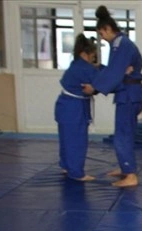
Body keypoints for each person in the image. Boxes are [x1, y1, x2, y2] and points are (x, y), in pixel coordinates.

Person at [82, 5, 142, 188]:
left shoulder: (120, 44)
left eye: (102, 34)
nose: (102, 38)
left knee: (122, 135)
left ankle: (130, 174)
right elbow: (116, 70)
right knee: (126, 134)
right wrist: (100, 70)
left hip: (128, 95)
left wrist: (94, 87)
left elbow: (115, 72)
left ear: (108, 29)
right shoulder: (121, 44)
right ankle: (125, 167)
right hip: (131, 94)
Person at [55, 34, 99, 182]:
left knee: (66, 139)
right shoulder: (85, 68)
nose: (93, 59)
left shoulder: (75, 65)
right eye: (92, 56)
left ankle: (66, 166)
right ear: (85, 54)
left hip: (65, 105)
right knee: (77, 141)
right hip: (74, 109)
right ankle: (76, 172)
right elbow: (101, 82)